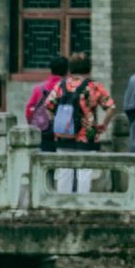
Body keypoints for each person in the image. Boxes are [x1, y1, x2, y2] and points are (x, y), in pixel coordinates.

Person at [40, 52, 117, 196]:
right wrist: (103, 124)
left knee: (64, 171)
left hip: (63, 135)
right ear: (89, 68)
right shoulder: (94, 86)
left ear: (71, 69)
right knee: (85, 171)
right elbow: (111, 107)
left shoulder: (61, 85)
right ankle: (82, 204)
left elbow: (48, 105)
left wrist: (56, 121)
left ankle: (64, 205)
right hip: (88, 135)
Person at [24, 53, 70, 135]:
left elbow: (29, 109)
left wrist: (32, 124)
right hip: (64, 132)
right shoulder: (68, 88)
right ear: (67, 71)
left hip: (42, 129)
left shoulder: (39, 88)